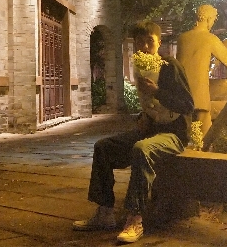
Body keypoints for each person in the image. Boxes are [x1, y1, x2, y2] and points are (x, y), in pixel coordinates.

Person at [73, 20, 194, 244]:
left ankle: (135, 218)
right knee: (103, 147)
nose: (145, 46)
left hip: (174, 135)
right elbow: (150, 106)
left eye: (150, 41)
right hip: (151, 131)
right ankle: (105, 213)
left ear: (159, 42)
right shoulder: (140, 67)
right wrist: (142, 117)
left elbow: (187, 105)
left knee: (141, 149)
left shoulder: (170, 66)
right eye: (140, 42)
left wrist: (157, 91)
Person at [176, 5, 227, 136]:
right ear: (208, 19)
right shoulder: (210, 39)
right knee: (205, 134)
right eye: (214, 19)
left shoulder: (182, 38)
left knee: (184, 133)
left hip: (180, 93)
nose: (213, 22)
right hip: (199, 94)